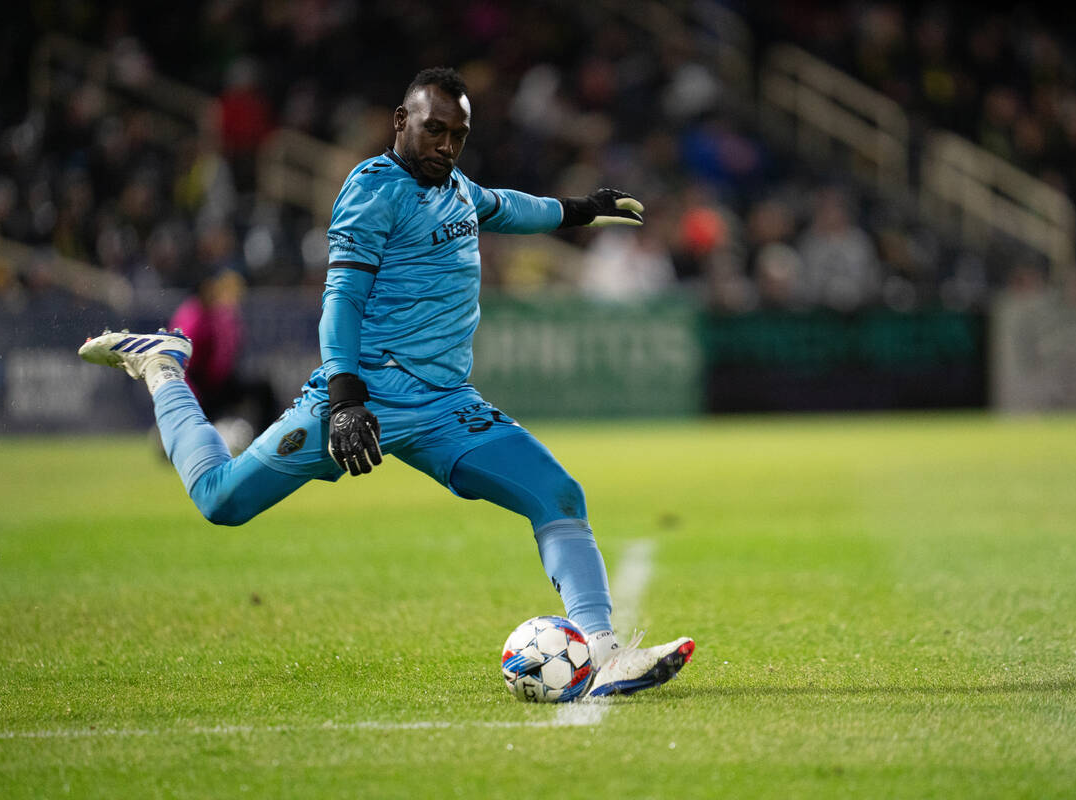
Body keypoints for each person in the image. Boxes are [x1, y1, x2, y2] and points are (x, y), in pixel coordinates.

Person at [79, 67, 693, 697]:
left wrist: (582, 210)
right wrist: (345, 399)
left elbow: (509, 207)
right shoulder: (373, 189)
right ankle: (160, 367)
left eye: (458, 134)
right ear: (402, 122)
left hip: (447, 408)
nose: (446, 146)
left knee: (559, 495)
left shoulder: (456, 189)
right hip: (362, 399)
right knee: (221, 501)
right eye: (434, 130)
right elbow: (341, 298)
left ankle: (603, 652)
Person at [169, 268, 279, 449]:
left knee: (263, 389)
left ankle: (265, 443)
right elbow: (183, 364)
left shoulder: (217, 314)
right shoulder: (192, 316)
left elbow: (227, 353)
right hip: (199, 389)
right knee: (193, 438)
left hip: (218, 384)